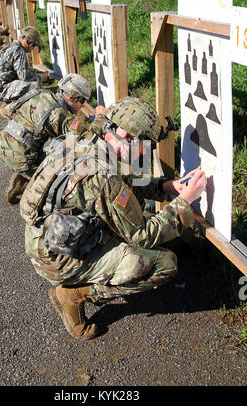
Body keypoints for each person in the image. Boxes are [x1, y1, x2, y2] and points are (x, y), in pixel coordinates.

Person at [20, 96, 207, 340]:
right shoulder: (102, 175)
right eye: (146, 145)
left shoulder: (88, 140)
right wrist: (185, 203)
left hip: (47, 236)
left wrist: (168, 186)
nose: (146, 152)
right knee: (164, 263)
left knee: (135, 214)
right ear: (129, 137)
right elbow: (142, 234)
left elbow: (125, 182)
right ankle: (73, 294)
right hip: (59, 259)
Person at [0, 73, 93, 205]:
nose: (83, 105)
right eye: (82, 101)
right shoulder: (58, 115)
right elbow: (84, 137)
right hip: (19, 157)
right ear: (71, 98)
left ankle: (27, 174)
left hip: (1, 144)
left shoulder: (38, 93)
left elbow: (7, 110)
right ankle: (28, 189)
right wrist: (99, 119)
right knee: (61, 172)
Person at [0, 26, 49, 102]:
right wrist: (42, 77)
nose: (32, 49)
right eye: (33, 45)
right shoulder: (18, 51)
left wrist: (37, 72)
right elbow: (24, 76)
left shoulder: (11, 45)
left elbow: (23, 70)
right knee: (35, 85)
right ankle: (13, 108)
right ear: (27, 41)